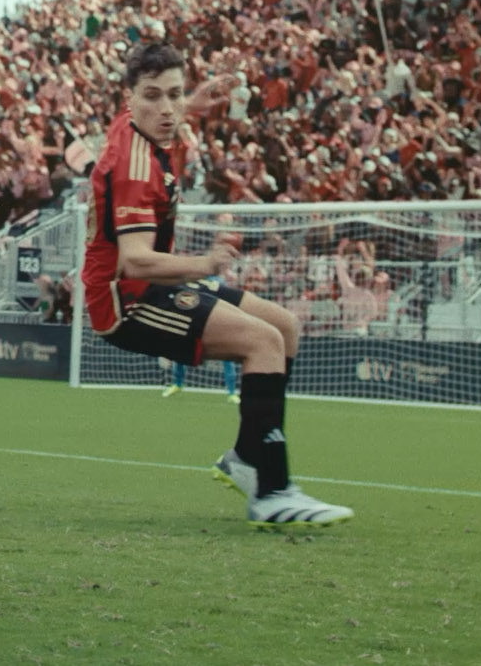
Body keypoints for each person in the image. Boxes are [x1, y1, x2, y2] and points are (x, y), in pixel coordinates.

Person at [80, 43, 352, 528]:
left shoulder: (139, 121)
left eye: (175, 95)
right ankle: (271, 491)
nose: (167, 109)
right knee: (263, 342)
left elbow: (169, 108)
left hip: (152, 285)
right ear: (129, 98)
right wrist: (204, 261)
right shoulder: (134, 166)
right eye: (153, 97)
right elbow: (137, 262)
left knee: (284, 326)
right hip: (125, 300)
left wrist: (197, 101)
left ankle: (247, 456)